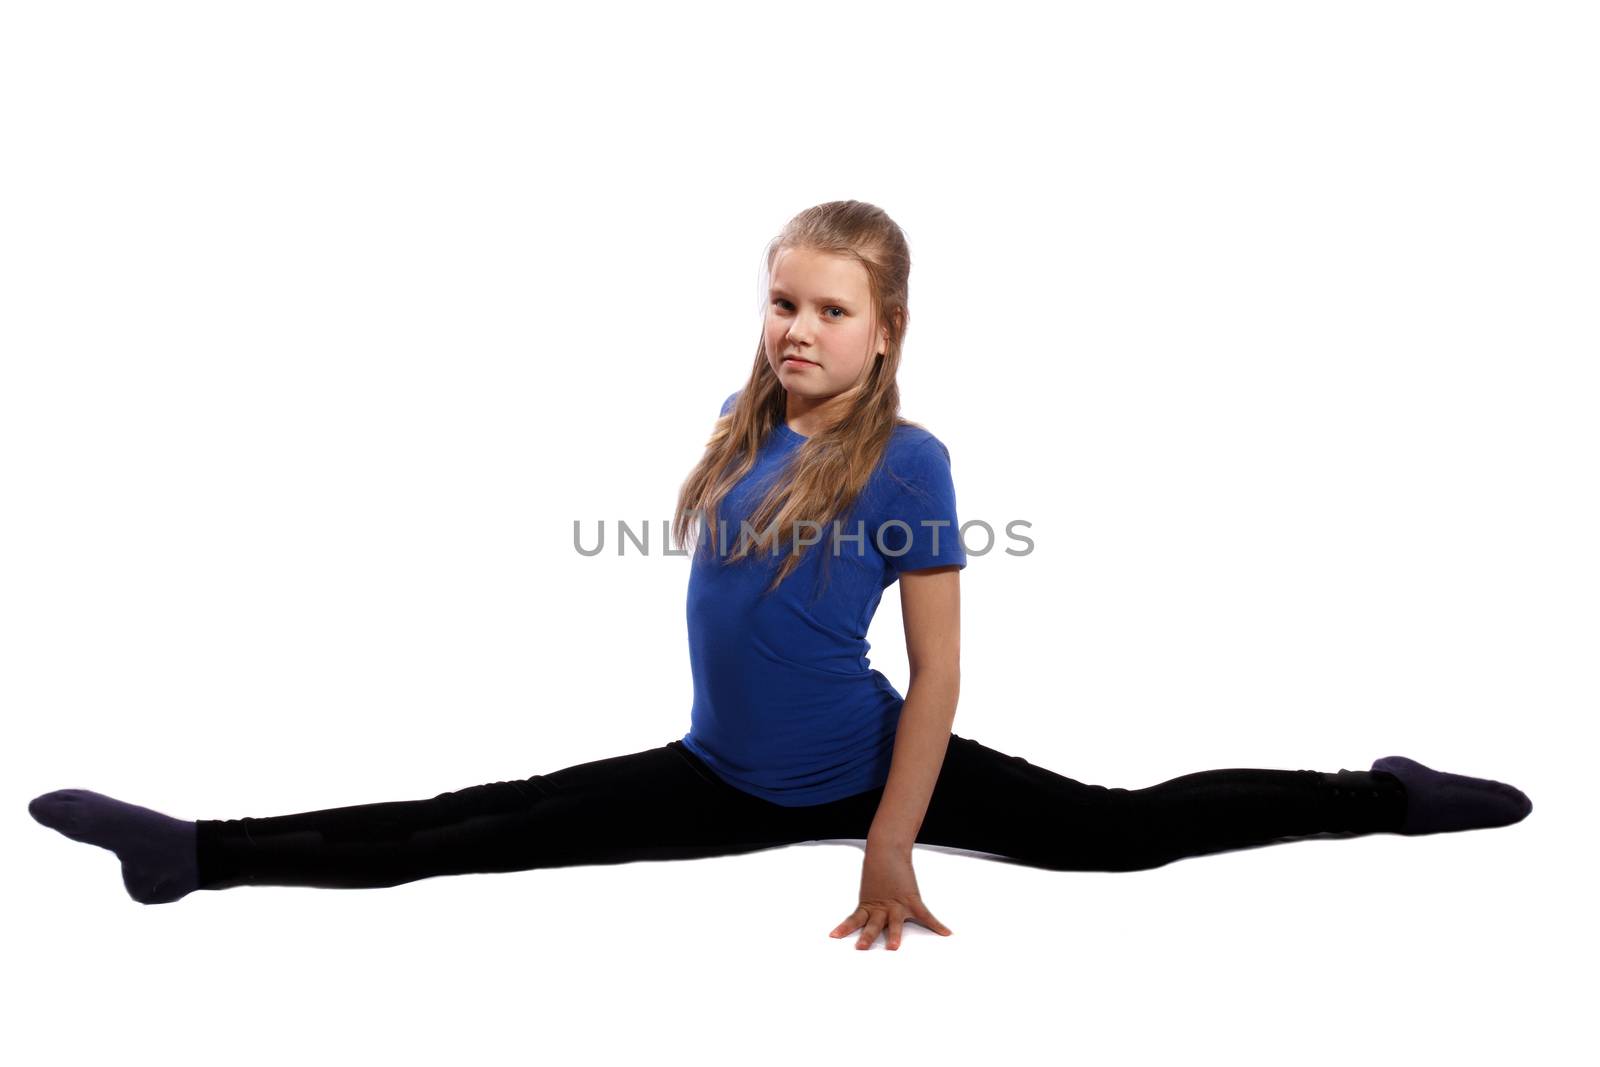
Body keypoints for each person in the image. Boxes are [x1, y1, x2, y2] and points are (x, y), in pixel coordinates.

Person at [28, 200, 1532, 950]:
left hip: (870, 769)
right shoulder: (742, 420)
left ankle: (1380, 795)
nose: (794, 327)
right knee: (458, 830)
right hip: (718, 773)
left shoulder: (912, 461)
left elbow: (941, 677)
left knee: (1125, 838)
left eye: (828, 308)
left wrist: (890, 841)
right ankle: (197, 853)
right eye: (779, 300)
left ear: (887, 329)